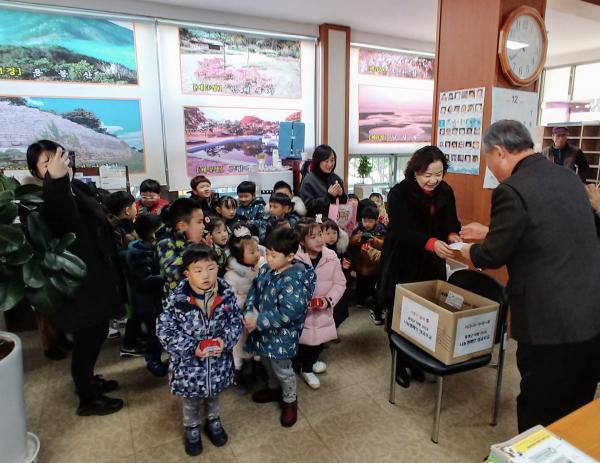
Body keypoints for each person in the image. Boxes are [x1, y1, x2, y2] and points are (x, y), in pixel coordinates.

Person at [458, 120, 600, 432]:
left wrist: (467, 250)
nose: (491, 169)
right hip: (591, 317)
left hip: (549, 324)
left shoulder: (511, 189)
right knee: (577, 410)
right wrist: (491, 232)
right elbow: (546, 233)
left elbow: (492, 256)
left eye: (488, 161)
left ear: (499, 152)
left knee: (539, 409)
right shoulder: (567, 176)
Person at [27, 140, 124, 416]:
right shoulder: (48, 199)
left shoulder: (77, 187)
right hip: (79, 286)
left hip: (97, 276)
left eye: (59, 158)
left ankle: (89, 380)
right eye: (47, 163)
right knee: (87, 340)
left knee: (98, 331)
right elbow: (63, 217)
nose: (57, 165)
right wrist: (56, 181)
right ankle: (87, 398)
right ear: (36, 172)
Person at [378, 145, 461, 386]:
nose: (433, 180)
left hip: (431, 261)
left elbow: (451, 222)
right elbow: (401, 230)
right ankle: (399, 362)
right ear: (415, 171)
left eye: (439, 174)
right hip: (403, 260)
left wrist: (453, 234)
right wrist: (431, 243)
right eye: (427, 175)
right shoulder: (399, 193)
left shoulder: (445, 191)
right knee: (400, 311)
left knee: (426, 313)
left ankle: (416, 360)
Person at [157, 244, 243, 457]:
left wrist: (224, 341)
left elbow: (235, 321)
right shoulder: (177, 299)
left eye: (211, 268)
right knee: (191, 400)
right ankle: (192, 427)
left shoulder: (225, 293)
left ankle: (213, 421)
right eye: (198, 270)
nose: (206, 275)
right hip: (189, 368)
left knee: (214, 395)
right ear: (187, 273)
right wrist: (192, 347)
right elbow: (164, 330)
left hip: (217, 363)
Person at [243, 227, 316, 427]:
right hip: (264, 332)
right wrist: (249, 310)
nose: (268, 258)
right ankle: (274, 388)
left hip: (282, 337)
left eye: (273, 255)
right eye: (267, 253)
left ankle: (290, 400)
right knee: (267, 361)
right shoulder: (267, 269)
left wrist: (259, 321)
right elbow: (254, 289)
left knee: (283, 369)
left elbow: (288, 312)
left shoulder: (295, 280)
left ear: (290, 256)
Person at [294, 218, 346, 389]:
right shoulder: (295, 260)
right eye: (312, 237)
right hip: (303, 313)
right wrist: (301, 301)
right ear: (302, 241)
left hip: (323, 310)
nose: (319, 240)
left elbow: (340, 283)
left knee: (320, 341)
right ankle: (306, 369)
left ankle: (312, 362)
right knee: (305, 343)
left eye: (320, 235)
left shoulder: (331, 257)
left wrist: (327, 300)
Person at [223, 224, 266, 394]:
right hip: (240, 319)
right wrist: (247, 307)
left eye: (257, 250)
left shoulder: (260, 267)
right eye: (252, 252)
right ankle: (237, 377)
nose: (257, 254)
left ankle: (257, 372)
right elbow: (230, 300)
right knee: (239, 348)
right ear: (240, 256)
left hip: (257, 314)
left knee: (257, 346)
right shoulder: (231, 275)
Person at [104, 191, 145, 358]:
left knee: (137, 309)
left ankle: (137, 337)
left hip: (132, 272)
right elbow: (120, 254)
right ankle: (129, 344)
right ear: (127, 210)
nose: (137, 208)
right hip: (127, 275)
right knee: (134, 310)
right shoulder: (116, 228)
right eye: (134, 205)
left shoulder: (125, 225)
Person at [126, 213, 167, 377]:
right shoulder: (140, 254)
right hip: (148, 302)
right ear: (152, 234)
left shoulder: (152, 248)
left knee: (160, 330)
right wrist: (166, 276)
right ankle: (152, 360)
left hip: (156, 299)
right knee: (154, 333)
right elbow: (145, 280)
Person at [156, 198, 205, 298]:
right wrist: (196, 251)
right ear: (182, 226)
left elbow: (220, 260)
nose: (203, 226)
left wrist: (209, 248)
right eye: (199, 222)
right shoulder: (165, 243)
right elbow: (173, 272)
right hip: (178, 301)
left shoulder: (201, 240)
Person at [349, 205, 386, 324]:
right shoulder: (357, 229)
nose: (367, 224)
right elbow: (351, 243)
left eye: (370, 221)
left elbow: (384, 245)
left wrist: (373, 240)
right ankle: (360, 300)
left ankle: (372, 303)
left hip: (374, 265)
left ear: (376, 220)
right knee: (361, 284)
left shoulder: (381, 230)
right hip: (360, 264)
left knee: (372, 285)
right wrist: (359, 238)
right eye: (365, 221)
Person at [299, 144, 348, 218]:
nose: (330, 164)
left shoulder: (336, 178)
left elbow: (343, 204)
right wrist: (329, 197)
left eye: (332, 160)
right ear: (317, 161)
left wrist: (342, 195)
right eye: (326, 161)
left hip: (337, 221)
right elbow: (308, 207)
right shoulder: (308, 180)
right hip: (316, 222)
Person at [322, 219, 351, 327]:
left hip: (340, 284)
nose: (331, 236)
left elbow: (348, 259)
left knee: (341, 310)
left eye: (334, 233)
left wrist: (347, 264)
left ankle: (335, 328)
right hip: (327, 285)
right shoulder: (321, 250)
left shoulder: (341, 249)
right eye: (328, 233)